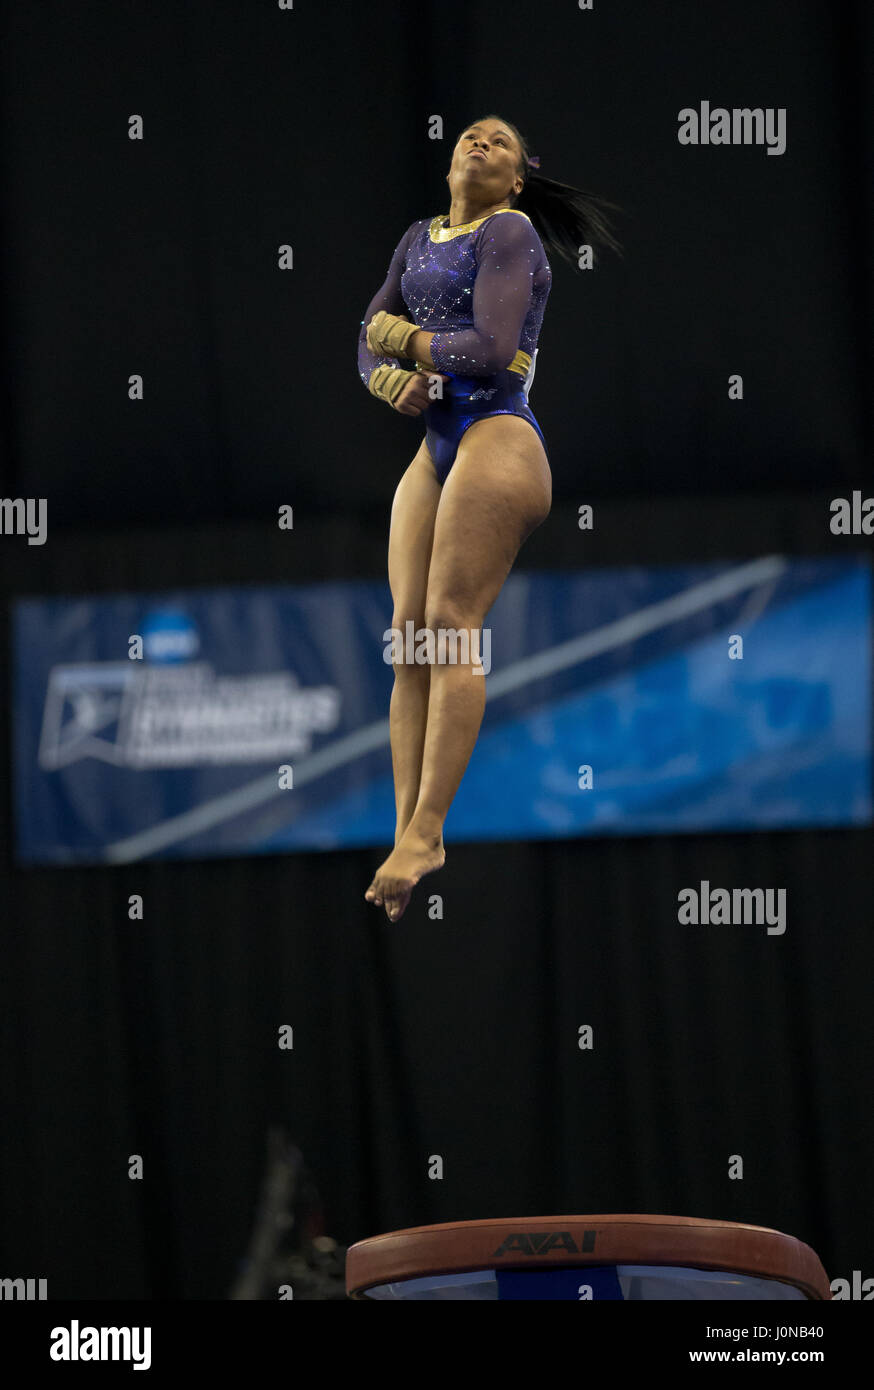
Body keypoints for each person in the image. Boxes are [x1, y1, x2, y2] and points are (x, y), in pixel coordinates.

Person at [359, 114, 620, 922]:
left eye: (500, 143)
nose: (481, 141)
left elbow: (490, 345)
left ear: (515, 180)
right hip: (437, 445)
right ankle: (409, 830)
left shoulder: (510, 233)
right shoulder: (417, 236)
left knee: (449, 620)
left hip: (499, 437)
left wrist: (404, 342)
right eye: (471, 135)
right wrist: (385, 379)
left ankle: (431, 828)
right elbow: (364, 339)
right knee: (408, 636)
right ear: (448, 162)